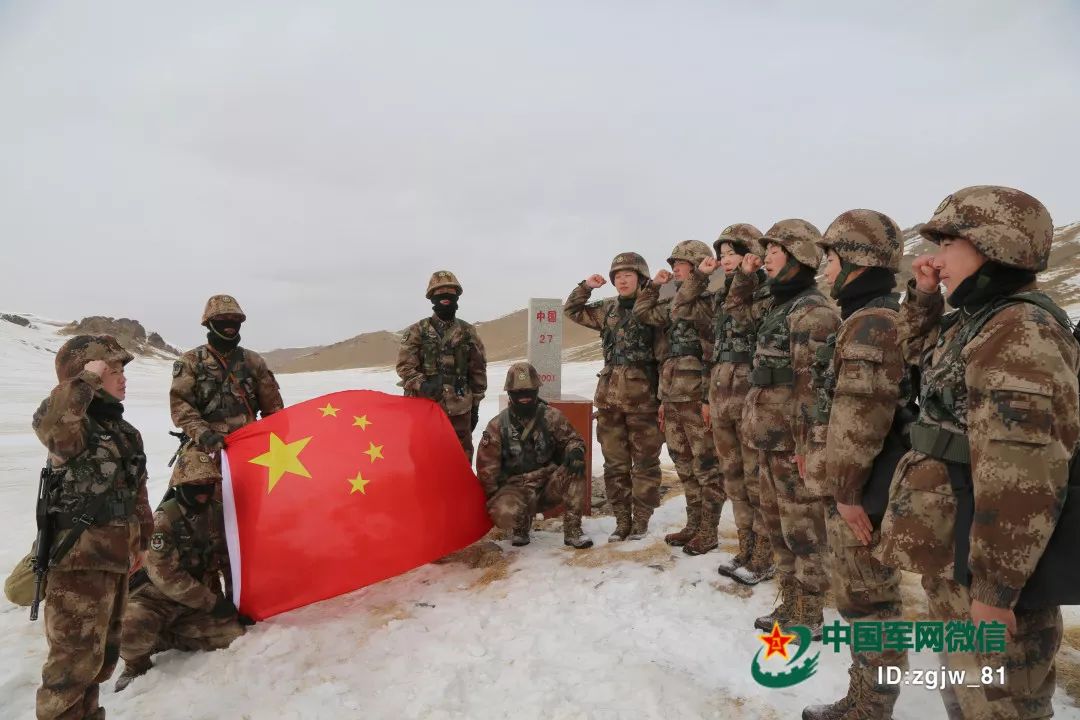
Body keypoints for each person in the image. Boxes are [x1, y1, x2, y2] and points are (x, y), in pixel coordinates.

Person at [877, 186, 1080, 719]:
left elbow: (1022, 476)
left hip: (987, 570)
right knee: (967, 694)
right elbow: (916, 355)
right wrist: (924, 297)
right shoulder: (979, 320)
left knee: (999, 704)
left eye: (949, 243)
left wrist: (994, 589)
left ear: (998, 246)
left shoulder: (1020, 332)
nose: (935, 259)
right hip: (958, 554)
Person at [802, 209, 909, 720]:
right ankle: (865, 699)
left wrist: (845, 493)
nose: (825, 270)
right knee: (864, 600)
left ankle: (870, 706)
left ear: (857, 261)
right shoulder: (869, 316)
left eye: (831, 258)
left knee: (870, 603)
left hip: (863, 490)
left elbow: (858, 420)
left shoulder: (870, 324)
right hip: (865, 483)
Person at [33, 335, 154, 720]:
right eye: (112, 370)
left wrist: (143, 541)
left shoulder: (125, 431)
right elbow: (50, 424)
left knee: (99, 661)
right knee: (70, 670)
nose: (122, 378)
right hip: (78, 563)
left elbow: (137, 492)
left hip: (115, 560)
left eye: (121, 371)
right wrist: (84, 380)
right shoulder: (73, 428)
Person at [741, 220, 839, 638]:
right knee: (777, 525)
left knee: (804, 530)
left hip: (792, 443)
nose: (766, 258)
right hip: (769, 436)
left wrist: (808, 446)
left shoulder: (813, 312)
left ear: (799, 257)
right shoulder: (781, 306)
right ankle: (791, 601)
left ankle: (810, 612)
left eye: (775, 251)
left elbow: (813, 389)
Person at [672, 224, 775, 583]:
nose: (726, 259)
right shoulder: (718, 297)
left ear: (752, 255)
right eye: (722, 254)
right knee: (733, 478)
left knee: (756, 479)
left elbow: (747, 317)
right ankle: (745, 548)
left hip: (751, 396)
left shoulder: (766, 294)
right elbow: (681, 308)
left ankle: (764, 555)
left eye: (733, 253)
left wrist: (745, 279)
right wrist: (700, 278)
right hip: (721, 395)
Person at [564, 253, 664, 541]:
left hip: (644, 400)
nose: (622, 280)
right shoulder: (607, 309)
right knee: (615, 465)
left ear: (641, 278)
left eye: (628, 275)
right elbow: (572, 310)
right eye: (617, 276)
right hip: (609, 401)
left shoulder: (655, 308)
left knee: (645, 464)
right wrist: (586, 286)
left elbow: (664, 354)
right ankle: (622, 520)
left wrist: (663, 399)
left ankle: (641, 520)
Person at [634, 240, 724, 555]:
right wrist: (652, 287)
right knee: (683, 464)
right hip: (672, 395)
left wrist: (708, 399)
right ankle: (693, 524)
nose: (674, 269)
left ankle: (709, 531)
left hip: (696, 397)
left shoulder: (708, 304)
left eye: (681, 264)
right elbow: (643, 313)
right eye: (673, 264)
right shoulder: (674, 302)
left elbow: (713, 354)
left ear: (698, 266)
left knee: (706, 465)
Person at [114, 477, 244, 691]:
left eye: (208, 486)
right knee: (129, 628)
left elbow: (230, 562)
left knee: (233, 634)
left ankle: (165, 637)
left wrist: (237, 601)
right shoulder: (162, 521)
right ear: (181, 487)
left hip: (193, 606)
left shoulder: (217, 514)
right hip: (155, 600)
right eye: (195, 487)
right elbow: (166, 577)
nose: (202, 493)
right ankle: (135, 666)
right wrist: (211, 603)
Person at [170, 295, 284, 489]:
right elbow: (181, 407)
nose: (230, 324)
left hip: (250, 447)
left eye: (235, 319)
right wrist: (204, 435)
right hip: (207, 449)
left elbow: (274, 411)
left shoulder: (253, 361)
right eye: (222, 319)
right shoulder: (190, 362)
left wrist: (276, 444)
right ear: (209, 323)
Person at [476, 362, 593, 549]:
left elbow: (573, 439)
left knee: (576, 468)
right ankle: (520, 526)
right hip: (516, 489)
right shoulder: (497, 426)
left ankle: (573, 530)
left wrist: (575, 451)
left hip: (548, 485)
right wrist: (498, 499)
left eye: (529, 392)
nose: (524, 397)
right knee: (503, 511)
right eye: (519, 392)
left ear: (537, 390)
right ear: (510, 393)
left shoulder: (552, 417)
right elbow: (486, 470)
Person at [396, 271, 488, 462]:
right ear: (431, 297)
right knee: (423, 461)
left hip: (459, 411)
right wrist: (422, 385)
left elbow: (478, 370)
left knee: (459, 462)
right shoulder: (417, 331)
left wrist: (475, 406)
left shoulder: (468, 332)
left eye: (450, 291)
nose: (445, 296)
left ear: (457, 296)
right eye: (439, 292)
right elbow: (404, 367)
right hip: (423, 409)